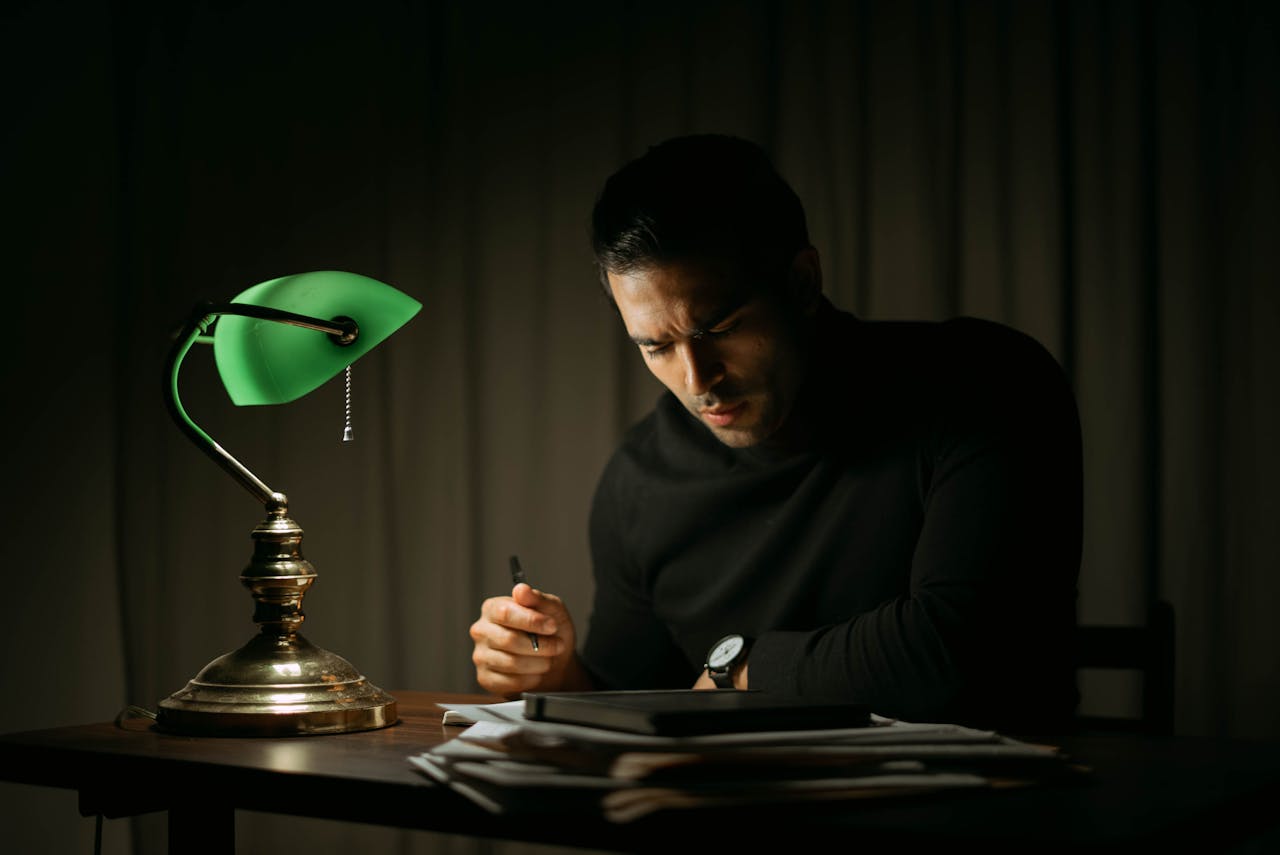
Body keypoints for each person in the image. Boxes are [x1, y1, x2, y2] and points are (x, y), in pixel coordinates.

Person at [469, 134, 1082, 732]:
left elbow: (961, 652)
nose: (697, 379)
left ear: (802, 283)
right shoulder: (638, 478)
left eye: (721, 328)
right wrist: (556, 677)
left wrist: (742, 665)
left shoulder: (986, 384)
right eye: (655, 347)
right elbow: (634, 700)